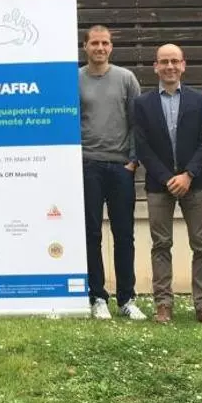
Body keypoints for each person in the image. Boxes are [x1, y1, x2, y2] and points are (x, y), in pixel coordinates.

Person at [134, 44, 202, 325]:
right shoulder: (143, 103)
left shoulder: (199, 99)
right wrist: (166, 177)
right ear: (155, 67)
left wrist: (188, 174)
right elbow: (142, 147)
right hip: (159, 185)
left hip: (195, 183)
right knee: (161, 244)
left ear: (183, 65)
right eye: (163, 62)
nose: (169, 66)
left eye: (174, 61)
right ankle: (163, 304)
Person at [78, 25, 145, 321]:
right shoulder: (75, 79)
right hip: (88, 165)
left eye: (105, 43)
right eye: (95, 43)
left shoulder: (126, 78)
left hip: (121, 167)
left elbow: (138, 122)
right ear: (85, 46)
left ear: (111, 47)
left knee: (124, 234)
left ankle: (127, 298)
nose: (100, 48)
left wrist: (133, 161)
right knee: (91, 234)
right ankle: (97, 297)